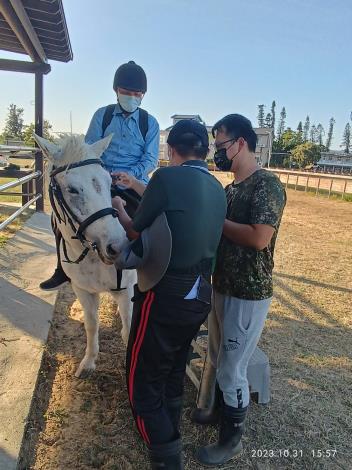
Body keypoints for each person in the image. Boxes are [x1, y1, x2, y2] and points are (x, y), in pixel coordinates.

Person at [112, 119, 227, 469]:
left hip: (166, 293)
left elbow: (135, 229)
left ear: (171, 150)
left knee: (141, 380)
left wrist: (118, 205)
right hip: (201, 292)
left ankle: (165, 451)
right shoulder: (217, 187)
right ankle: (169, 423)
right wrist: (137, 184)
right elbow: (178, 207)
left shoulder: (165, 178)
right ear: (204, 151)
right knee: (175, 364)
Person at [193, 114, 286, 466]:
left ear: (241, 143)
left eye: (221, 146)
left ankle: (232, 441)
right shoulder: (230, 189)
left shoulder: (267, 185)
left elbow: (260, 238)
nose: (217, 152)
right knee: (217, 356)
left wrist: (216, 221)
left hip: (249, 293)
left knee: (233, 368)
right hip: (223, 286)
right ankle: (218, 413)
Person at [40, 60, 159, 291]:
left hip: (133, 183)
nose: (132, 97)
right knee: (59, 220)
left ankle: (145, 272)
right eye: (126, 92)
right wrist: (103, 174)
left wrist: (129, 176)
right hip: (100, 180)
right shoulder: (102, 116)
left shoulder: (149, 123)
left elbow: (150, 160)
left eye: (137, 93)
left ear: (143, 95)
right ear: (116, 91)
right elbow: (90, 150)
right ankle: (62, 269)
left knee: (149, 222)